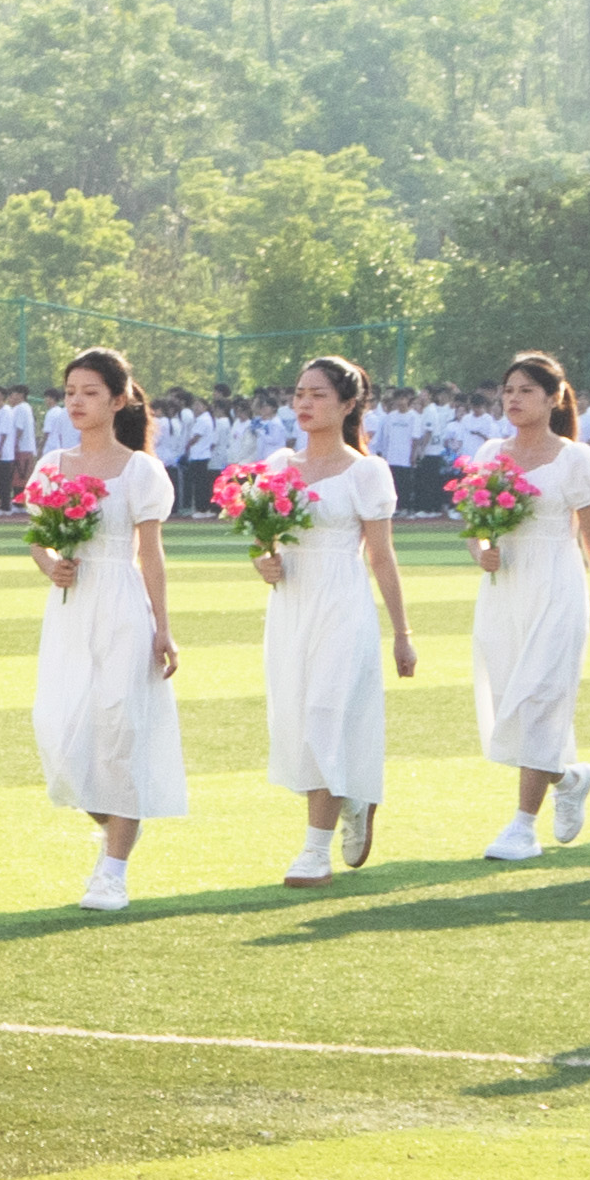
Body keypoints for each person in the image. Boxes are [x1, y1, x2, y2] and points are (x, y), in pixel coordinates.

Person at [23, 346, 187, 909]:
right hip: (69, 608)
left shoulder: (141, 470)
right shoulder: (52, 466)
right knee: (58, 729)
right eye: (70, 392)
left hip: (122, 604)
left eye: (90, 392)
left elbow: (152, 556)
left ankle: (112, 869)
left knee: (121, 731)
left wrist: (162, 627)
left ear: (118, 400)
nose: (77, 402)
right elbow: (38, 539)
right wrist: (51, 564)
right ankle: (119, 821)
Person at [254, 358, 417, 888]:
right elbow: (263, 535)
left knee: (325, 712)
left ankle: (312, 850)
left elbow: (382, 556)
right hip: (290, 605)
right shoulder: (279, 463)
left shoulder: (367, 471)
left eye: (318, 395)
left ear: (349, 405)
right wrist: (263, 559)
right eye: (299, 393)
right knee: (298, 720)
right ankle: (352, 794)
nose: (304, 403)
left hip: (341, 603)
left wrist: (402, 634)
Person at [467, 355, 590, 861]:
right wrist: (480, 552)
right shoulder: (491, 452)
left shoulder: (575, 459)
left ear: (555, 398)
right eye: (508, 390)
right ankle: (570, 777)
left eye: (527, 391)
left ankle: (521, 826)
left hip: (556, 586)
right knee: (512, 700)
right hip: (504, 588)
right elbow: (475, 527)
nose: (514, 399)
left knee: (537, 700)